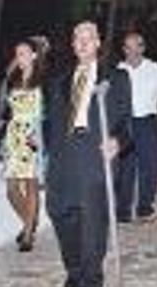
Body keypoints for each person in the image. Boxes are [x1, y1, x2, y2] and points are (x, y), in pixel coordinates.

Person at [43, 21, 130, 287]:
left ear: (98, 43)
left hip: (95, 155)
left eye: (88, 37)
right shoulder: (58, 81)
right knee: (60, 213)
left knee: (93, 222)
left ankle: (91, 278)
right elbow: (52, 123)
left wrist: (117, 141)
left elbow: (126, 122)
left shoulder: (115, 78)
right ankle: (75, 270)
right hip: (62, 159)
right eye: (77, 38)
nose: (82, 43)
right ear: (72, 44)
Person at [0, 38, 47, 252]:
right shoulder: (13, 80)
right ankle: (30, 221)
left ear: (34, 55)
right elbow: (1, 107)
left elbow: (48, 112)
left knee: (31, 184)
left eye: (24, 52)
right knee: (11, 189)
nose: (20, 57)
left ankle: (27, 235)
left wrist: (40, 137)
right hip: (14, 134)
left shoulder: (43, 79)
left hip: (33, 134)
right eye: (17, 53)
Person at [115, 32, 157, 222]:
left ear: (143, 47)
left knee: (150, 166)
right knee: (124, 168)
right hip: (125, 123)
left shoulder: (156, 69)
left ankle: (144, 207)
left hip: (148, 122)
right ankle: (122, 210)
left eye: (136, 46)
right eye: (128, 47)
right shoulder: (117, 70)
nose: (132, 51)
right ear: (124, 50)